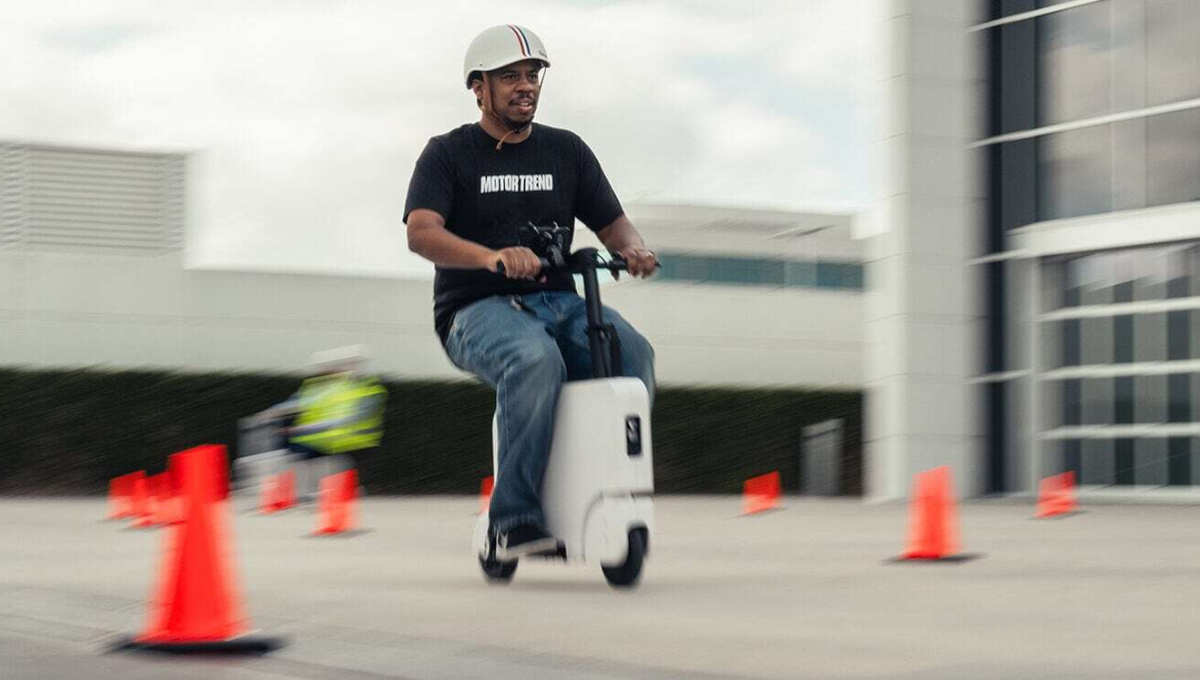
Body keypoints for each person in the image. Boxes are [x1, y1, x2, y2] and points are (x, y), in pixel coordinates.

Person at [403, 24, 658, 560]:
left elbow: (614, 225)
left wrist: (633, 249)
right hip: (475, 311)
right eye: (511, 77)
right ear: (479, 87)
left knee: (632, 352)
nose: (526, 86)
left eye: (533, 75)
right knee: (535, 360)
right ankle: (511, 518)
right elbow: (421, 232)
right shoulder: (448, 154)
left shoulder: (566, 151)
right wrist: (490, 257)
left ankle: (602, 487)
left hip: (558, 301)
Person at [271, 346, 388, 499]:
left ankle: (335, 499)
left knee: (339, 477)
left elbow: (351, 417)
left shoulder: (370, 389)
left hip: (355, 440)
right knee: (319, 469)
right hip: (329, 438)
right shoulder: (335, 386)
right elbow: (304, 403)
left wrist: (305, 428)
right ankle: (320, 495)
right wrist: (275, 413)